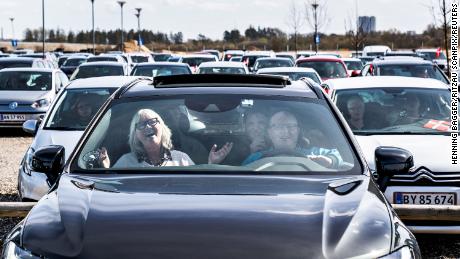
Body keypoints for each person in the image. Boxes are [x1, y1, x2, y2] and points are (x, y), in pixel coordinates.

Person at [99, 109, 232, 168]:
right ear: (135, 136)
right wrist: (106, 170)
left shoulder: (181, 159)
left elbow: (198, 187)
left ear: (163, 128)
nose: (147, 127)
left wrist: (211, 165)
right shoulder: (125, 162)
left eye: (152, 122)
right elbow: (112, 192)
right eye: (141, 124)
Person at [242, 111, 342, 168]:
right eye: (279, 127)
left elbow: (339, 156)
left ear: (298, 131)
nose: (286, 131)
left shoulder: (312, 153)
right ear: (270, 132)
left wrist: (330, 160)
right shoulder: (256, 157)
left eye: (291, 126)